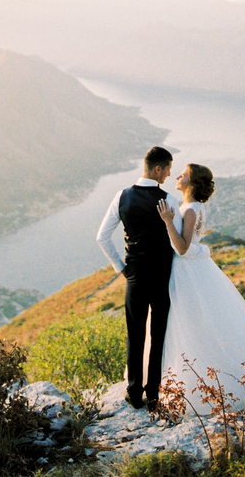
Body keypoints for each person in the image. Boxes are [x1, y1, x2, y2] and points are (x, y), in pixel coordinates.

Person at [154, 163, 245, 413]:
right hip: (194, 271)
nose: (178, 176)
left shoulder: (189, 210)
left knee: (187, 323)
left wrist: (167, 221)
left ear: (191, 182)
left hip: (186, 272)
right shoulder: (194, 207)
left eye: (184, 174)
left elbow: (183, 248)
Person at [96, 146, 175, 410]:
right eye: (167, 169)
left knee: (136, 334)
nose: (168, 175)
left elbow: (102, 237)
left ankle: (134, 391)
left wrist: (121, 268)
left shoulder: (122, 197)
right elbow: (175, 242)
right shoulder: (168, 200)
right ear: (156, 169)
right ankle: (153, 392)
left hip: (136, 275)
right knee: (158, 333)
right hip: (162, 275)